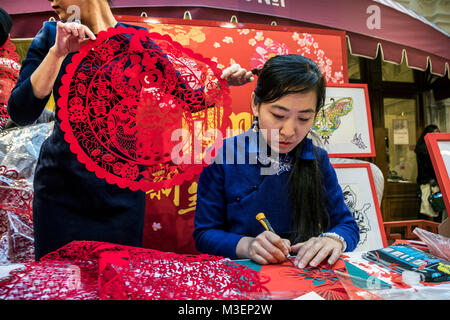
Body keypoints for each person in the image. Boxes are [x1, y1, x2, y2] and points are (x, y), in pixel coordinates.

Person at [8, 0, 253, 260]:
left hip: (120, 191)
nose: (53, 1)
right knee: (60, 282)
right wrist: (57, 54)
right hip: (61, 190)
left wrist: (222, 81)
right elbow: (22, 112)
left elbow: (190, 98)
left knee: (117, 279)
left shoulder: (138, 41)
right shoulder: (51, 36)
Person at [194, 54, 360, 269]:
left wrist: (333, 239)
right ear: (256, 105)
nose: (289, 131)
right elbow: (205, 233)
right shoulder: (223, 155)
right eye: (278, 115)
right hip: (244, 278)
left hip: (305, 277)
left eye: (303, 119)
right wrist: (248, 245)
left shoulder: (318, 159)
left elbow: (347, 226)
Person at [414, 124, 443, 221]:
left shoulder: (424, 148)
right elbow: (430, 168)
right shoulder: (425, 151)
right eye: (435, 134)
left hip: (430, 183)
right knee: (428, 209)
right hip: (429, 184)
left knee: (432, 209)